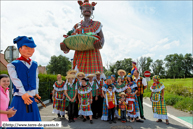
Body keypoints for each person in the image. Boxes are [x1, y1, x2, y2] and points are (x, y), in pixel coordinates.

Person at [60, 0, 105, 78]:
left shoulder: (97, 25)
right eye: (84, 8)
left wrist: (100, 44)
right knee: (79, 79)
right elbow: (70, 39)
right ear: (81, 10)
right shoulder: (76, 26)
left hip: (93, 55)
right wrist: (65, 46)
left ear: (92, 10)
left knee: (94, 80)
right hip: (79, 56)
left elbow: (102, 38)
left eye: (89, 8)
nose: (87, 10)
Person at [7, 36, 42, 129]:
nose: (30, 50)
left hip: (32, 98)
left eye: (32, 48)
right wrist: (23, 93)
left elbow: (36, 79)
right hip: (19, 98)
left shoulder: (34, 64)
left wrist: (36, 93)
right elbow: (15, 79)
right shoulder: (12, 64)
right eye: (26, 47)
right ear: (20, 49)